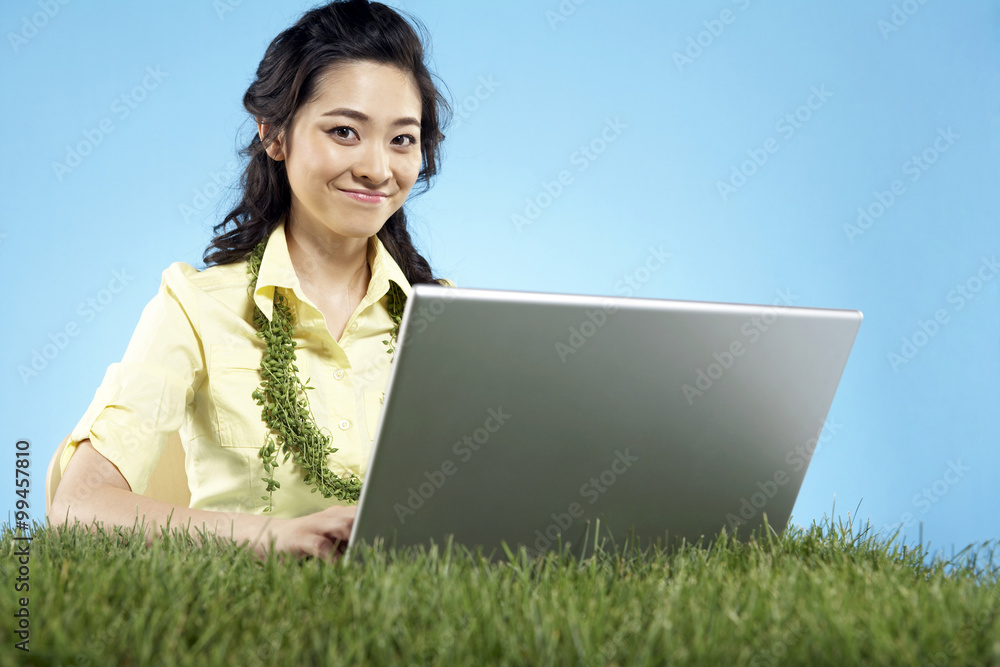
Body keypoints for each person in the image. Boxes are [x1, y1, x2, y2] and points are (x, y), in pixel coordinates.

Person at [49, 0, 453, 562]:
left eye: (402, 139)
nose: (378, 168)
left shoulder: (448, 319)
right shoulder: (194, 306)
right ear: (274, 135)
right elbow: (79, 506)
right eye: (344, 131)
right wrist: (277, 538)